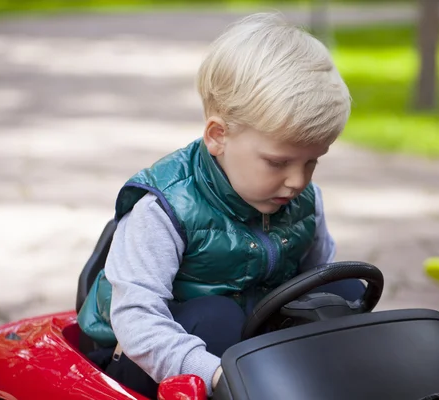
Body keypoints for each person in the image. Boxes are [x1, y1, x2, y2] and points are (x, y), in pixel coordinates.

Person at [77, 11, 363, 398]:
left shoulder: (303, 200)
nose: (298, 181)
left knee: (343, 289)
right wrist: (215, 374)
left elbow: (316, 283)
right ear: (218, 136)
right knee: (216, 317)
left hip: (253, 358)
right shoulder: (164, 209)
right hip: (155, 361)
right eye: (278, 162)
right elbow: (137, 321)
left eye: (312, 161)